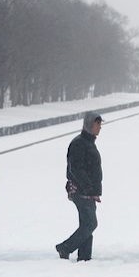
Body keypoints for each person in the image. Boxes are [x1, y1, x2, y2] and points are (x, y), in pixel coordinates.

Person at [56, 112, 103, 261]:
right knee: (90, 223)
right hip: (81, 191)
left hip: (88, 191)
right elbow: (75, 168)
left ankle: (84, 257)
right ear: (89, 125)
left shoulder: (88, 142)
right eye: (97, 125)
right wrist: (87, 185)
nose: (100, 128)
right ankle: (65, 247)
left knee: (86, 223)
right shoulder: (79, 143)